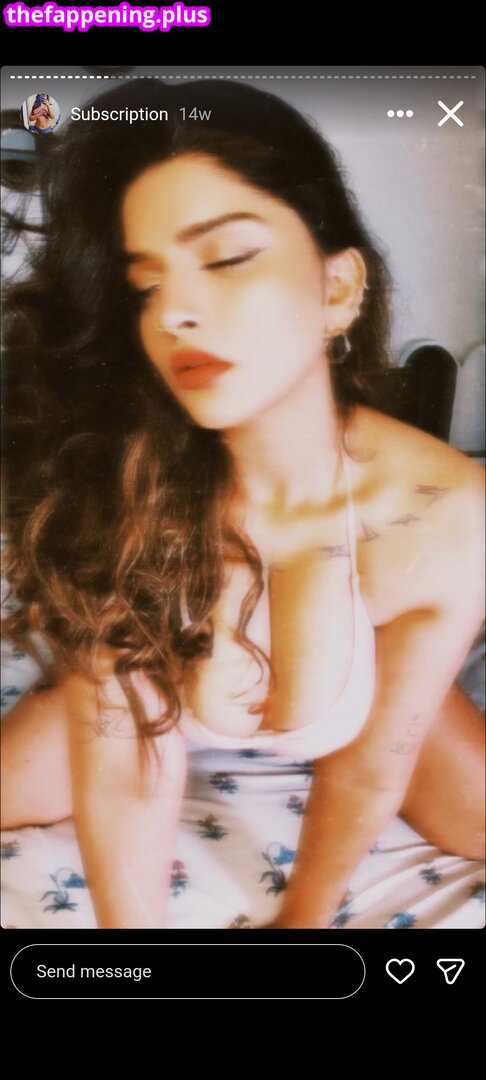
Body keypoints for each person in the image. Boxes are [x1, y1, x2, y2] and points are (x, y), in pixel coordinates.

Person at [2, 80, 484, 930]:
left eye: (226, 258)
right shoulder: (115, 482)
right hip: (150, 694)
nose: (175, 315)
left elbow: (372, 765)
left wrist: (301, 927)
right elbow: (125, 771)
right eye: (144, 287)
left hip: (370, 676)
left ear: (338, 288)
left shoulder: (443, 512)